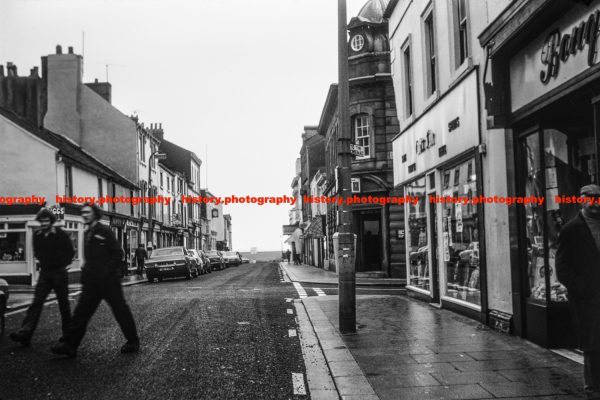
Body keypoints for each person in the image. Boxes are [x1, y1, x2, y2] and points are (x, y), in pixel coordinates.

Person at [51, 203, 139, 358]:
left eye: (87, 212)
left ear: (95, 214)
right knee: (81, 313)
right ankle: (70, 346)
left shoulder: (104, 231)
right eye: (83, 212)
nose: (84, 215)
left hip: (109, 282)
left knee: (120, 311)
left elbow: (118, 253)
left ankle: (133, 341)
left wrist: (106, 271)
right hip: (91, 282)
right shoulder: (87, 232)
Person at [556, 184, 600, 399]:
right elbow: (562, 268)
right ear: (581, 201)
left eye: (597, 198)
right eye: (589, 198)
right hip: (587, 297)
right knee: (592, 342)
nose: (594, 202)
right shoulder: (571, 229)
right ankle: (592, 386)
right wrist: (582, 288)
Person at [9, 208, 74, 347]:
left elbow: (70, 250)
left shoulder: (60, 234)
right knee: (36, 303)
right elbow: (37, 252)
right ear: (39, 221)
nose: (44, 223)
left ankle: (68, 336)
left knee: (64, 305)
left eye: (47, 221)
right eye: (42, 221)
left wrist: (64, 264)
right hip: (45, 273)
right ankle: (25, 334)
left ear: (51, 221)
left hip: (59, 272)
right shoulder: (37, 235)